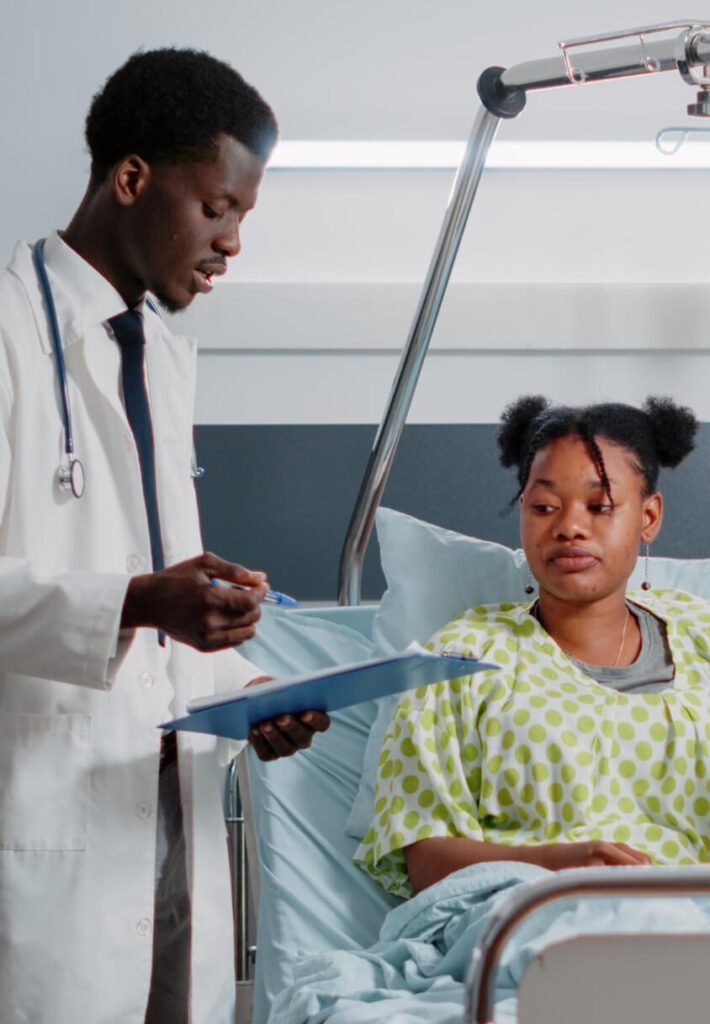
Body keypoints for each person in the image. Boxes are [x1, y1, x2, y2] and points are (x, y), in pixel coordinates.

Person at [0, 49, 328, 1024]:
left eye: (242, 219)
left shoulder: (157, 361)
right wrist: (144, 600)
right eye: (216, 207)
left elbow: (157, 652)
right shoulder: (9, 334)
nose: (230, 242)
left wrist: (251, 694)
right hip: (45, 826)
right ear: (132, 177)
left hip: (169, 825)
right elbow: (126, 604)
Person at [354, 395, 710, 898]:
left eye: (599, 506)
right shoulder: (461, 659)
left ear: (648, 517)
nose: (568, 527)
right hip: (529, 918)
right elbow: (424, 855)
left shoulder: (702, 637)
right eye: (544, 507)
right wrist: (552, 866)